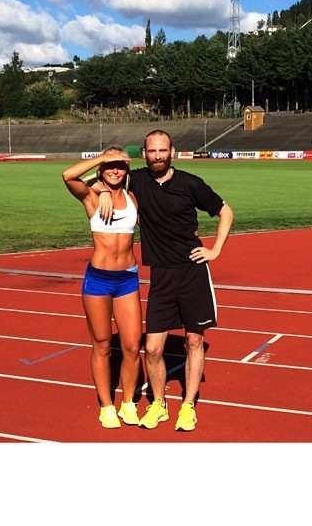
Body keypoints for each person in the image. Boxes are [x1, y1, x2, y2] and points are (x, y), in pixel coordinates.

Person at [94, 130, 234, 432]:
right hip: (161, 275)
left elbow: (226, 212)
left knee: (194, 340)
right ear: (144, 154)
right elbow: (100, 180)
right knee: (154, 348)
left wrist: (215, 250)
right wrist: (102, 190)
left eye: (162, 150)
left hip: (192, 271)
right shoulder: (137, 180)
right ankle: (159, 403)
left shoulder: (190, 183)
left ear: (172, 151)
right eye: (152, 151)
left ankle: (188, 406)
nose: (157, 156)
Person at [62, 147, 143, 429]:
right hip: (98, 280)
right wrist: (101, 165)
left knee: (132, 346)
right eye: (110, 165)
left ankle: (128, 403)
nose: (115, 170)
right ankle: (107, 406)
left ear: (126, 169)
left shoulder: (133, 198)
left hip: (128, 280)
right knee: (103, 344)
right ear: (101, 168)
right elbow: (68, 175)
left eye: (120, 165)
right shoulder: (91, 197)